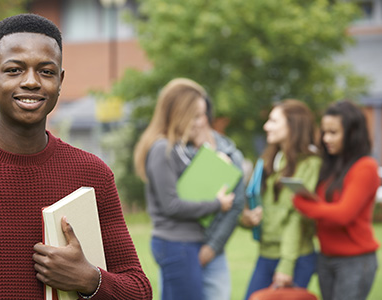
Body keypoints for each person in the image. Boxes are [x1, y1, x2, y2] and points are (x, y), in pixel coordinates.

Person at [0, 13, 152, 300]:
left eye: (46, 72)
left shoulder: (92, 174)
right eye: (14, 70)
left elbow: (139, 291)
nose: (32, 82)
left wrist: (90, 279)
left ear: (60, 82)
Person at [133, 78, 235, 300]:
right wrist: (217, 204)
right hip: (176, 244)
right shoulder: (162, 149)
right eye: (196, 116)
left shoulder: (178, 148)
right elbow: (172, 205)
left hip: (183, 244)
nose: (201, 123)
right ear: (180, 113)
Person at [293, 100, 380, 300]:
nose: (326, 139)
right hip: (326, 257)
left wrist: (302, 203)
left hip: (355, 261)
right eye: (324, 132)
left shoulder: (365, 167)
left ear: (351, 134)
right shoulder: (330, 167)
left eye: (333, 133)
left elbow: (342, 215)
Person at [241, 99, 321, 300]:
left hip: (295, 258)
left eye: (273, 121)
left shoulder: (310, 164)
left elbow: (297, 218)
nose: (266, 126)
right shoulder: (269, 160)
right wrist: (247, 219)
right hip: (266, 254)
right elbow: (254, 202)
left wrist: (287, 263)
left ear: (293, 124)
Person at [183, 96, 246, 300]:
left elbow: (236, 206)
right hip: (180, 247)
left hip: (214, 252)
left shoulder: (231, 154)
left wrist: (212, 248)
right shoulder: (176, 153)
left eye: (198, 116)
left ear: (206, 117)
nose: (193, 122)